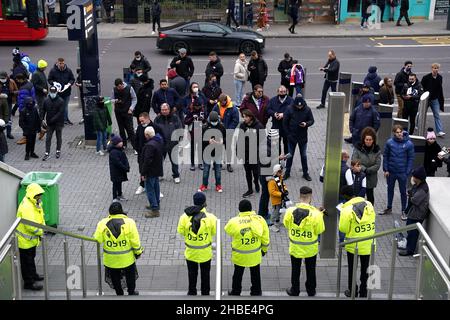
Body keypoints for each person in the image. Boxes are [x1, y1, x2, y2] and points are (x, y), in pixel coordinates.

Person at [93, 201, 143, 296]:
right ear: (122, 211)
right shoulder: (130, 222)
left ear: (109, 212)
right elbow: (135, 241)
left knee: (114, 277)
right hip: (127, 259)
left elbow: (97, 239)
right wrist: (138, 252)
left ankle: (119, 294)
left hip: (111, 260)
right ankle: (131, 292)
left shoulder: (102, 223)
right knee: (130, 276)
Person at [284, 186, 325, 296]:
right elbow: (320, 230)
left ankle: (295, 290)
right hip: (310, 248)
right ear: (310, 197)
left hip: (295, 246)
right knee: (311, 270)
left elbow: (286, 225)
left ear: (300, 196)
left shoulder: (290, 211)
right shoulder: (316, 214)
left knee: (295, 269)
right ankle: (311, 290)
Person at [225, 199, 270, 296]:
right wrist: (264, 250)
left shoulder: (234, 221)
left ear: (239, 209)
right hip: (255, 254)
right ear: (251, 209)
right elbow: (265, 238)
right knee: (255, 274)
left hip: (239, 255)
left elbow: (227, 230)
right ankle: (256, 292)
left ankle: (236, 292)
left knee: (237, 274)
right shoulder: (260, 220)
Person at [339, 185, 376, 298]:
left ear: (345, 197)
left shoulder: (346, 210)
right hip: (368, 243)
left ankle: (352, 290)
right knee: (365, 268)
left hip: (353, 245)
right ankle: (364, 291)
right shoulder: (369, 204)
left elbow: (343, 229)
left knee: (352, 269)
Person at [177, 192, 217, 296]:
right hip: (205, 252)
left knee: (192, 274)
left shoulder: (184, 217)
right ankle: (205, 293)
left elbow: (181, 231)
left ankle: (192, 292)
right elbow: (214, 232)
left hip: (191, 252)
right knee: (205, 274)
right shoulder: (211, 217)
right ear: (204, 202)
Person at [16, 182, 46, 290]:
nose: (40, 197)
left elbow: (40, 217)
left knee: (31, 259)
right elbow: (30, 226)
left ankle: (34, 275)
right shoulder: (27, 207)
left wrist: (43, 227)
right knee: (26, 262)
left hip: (30, 240)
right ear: (33, 195)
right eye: (38, 195)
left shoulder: (34, 203)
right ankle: (29, 283)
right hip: (24, 241)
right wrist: (41, 231)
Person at [381, 125, 414, 220]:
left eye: (400, 131)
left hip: (402, 173)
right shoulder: (389, 143)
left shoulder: (409, 144)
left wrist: (407, 172)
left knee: (403, 192)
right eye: (397, 132)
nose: (399, 133)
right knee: (389, 190)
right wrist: (385, 169)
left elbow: (411, 159)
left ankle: (404, 210)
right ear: (394, 133)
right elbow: (386, 156)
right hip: (391, 172)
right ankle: (389, 207)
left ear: (403, 132)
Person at [282, 96, 314, 181]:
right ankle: (287, 173)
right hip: (292, 138)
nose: (299, 107)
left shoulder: (307, 109)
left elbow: (312, 120)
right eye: (298, 106)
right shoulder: (289, 109)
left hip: (303, 138)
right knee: (290, 156)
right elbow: (284, 123)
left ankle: (305, 173)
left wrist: (306, 124)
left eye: (301, 106)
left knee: (303, 156)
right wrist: (288, 134)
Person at [399, 166, 429, 256]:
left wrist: (410, 195)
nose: (413, 178)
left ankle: (410, 250)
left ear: (418, 178)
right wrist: (411, 193)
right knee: (409, 228)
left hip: (418, 214)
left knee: (413, 233)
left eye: (414, 177)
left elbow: (415, 200)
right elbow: (412, 192)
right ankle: (409, 246)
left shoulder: (423, 189)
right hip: (413, 212)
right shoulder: (418, 185)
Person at [351, 127, 381, 205]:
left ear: (373, 140)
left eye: (370, 140)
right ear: (363, 140)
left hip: (371, 178)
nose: (368, 141)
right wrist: (364, 169)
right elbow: (354, 160)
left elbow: (377, 165)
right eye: (366, 139)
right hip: (359, 177)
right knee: (359, 198)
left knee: (370, 196)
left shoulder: (377, 151)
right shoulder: (358, 148)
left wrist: (365, 169)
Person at [238, 109, 264, 197]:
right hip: (245, 153)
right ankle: (250, 189)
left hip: (255, 154)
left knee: (256, 172)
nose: (244, 119)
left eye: (245, 117)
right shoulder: (242, 126)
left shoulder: (259, 126)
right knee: (248, 172)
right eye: (243, 117)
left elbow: (263, 140)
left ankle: (256, 182)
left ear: (250, 117)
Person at [154, 103, 183, 184]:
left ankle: (176, 175)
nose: (164, 111)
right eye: (162, 110)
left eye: (166, 109)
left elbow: (180, 128)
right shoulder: (157, 119)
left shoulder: (175, 118)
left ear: (169, 110)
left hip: (173, 144)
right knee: (159, 160)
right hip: (161, 144)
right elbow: (155, 131)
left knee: (174, 161)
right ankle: (159, 174)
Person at [198, 111, 226, 193]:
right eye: (213, 122)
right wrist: (207, 141)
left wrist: (222, 141)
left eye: (215, 121)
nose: (214, 123)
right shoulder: (205, 127)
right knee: (206, 170)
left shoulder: (221, 126)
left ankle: (218, 185)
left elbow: (226, 137)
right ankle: (204, 185)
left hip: (217, 152)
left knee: (218, 170)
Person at [140, 126, 164, 218]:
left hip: (150, 171)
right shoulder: (158, 141)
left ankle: (154, 210)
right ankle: (156, 203)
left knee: (150, 190)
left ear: (147, 135)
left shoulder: (149, 145)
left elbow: (147, 160)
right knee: (156, 187)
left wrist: (143, 173)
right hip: (157, 169)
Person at [212, 93, 239, 173]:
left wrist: (230, 130)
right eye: (220, 102)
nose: (221, 104)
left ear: (225, 100)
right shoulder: (217, 106)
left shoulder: (232, 108)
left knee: (228, 148)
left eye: (222, 103)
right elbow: (212, 115)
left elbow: (235, 121)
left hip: (228, 132)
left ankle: (228, 164)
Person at [184, 83, 207, 171]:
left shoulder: (202, 111)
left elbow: (206, 120)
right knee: (193, 148)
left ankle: (200, 163)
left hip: (201, 131)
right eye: (196, 106)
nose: (197, 108)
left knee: (201, 147)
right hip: (192, 132)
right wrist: (192, 119)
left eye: (199, 106)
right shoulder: (191, 112)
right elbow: (185, 121)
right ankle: (192, 163)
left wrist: (202, 119)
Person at [47, 58, 75, 125]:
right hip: (57, 92)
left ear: (64, 63)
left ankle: (65, 119)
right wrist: (54, 83)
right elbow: (49, 79)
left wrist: (69, 84)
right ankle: (59, 120)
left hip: (66, 92)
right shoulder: (53, 71)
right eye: (60, 63)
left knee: (65, 107)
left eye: (62, 63)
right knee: (57, 106)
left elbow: (72, 79)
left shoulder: (68, 70)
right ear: (57, 63)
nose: (61, 65)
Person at [134, 112, 157, 194]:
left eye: (143, 121)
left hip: (152, 154)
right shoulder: (140, 127)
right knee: (142, 170)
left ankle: (155, 187)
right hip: (141, 154)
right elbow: (136, 139)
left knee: (153, 171)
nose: (141, 123)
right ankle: (142, 185)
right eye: (140, 121)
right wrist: (137, 149)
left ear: (148, 118)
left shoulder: (155, 127)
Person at [267, 85, 293, 155]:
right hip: (276, 125)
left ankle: (287, 160)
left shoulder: (291, 100)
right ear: (278, 92)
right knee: (275, 144)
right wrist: (274, 114)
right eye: (281, 92)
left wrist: (284, 114)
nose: (283, 93)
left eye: (284, 92)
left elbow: (293, 111)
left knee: (287, 144)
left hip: (287, 127)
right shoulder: (272, 100)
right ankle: (277, 159)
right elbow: (268, 110)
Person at [421, 63, 445, 137]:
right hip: (426, 99)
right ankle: (418, 125)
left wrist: (440, 98)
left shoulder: (440, 77)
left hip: (435, 99)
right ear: (431, 68)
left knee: (437, 115)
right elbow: (421, 87)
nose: (436, 69)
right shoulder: (426, 77)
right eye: (434, 68)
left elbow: (440, 88)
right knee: (421, 114)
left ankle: (439, 131)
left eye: (437, 68)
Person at [112, 78, 137, 149]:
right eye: (117, 87)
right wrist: (115, 101)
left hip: (127, 111)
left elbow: (134, 99)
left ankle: (135, 147)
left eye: (120, 87)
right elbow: (111, 99)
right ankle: (124, 145)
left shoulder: (129, 88)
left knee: (130, 129)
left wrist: (131, 109)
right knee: (121, 129)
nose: (119, 89)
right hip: (118, 111)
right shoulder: (114, 89)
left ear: (122, 84)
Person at [41, 86, 64, 161]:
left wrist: (52, 119)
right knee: (48, 138)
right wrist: (42, 119)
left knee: (58, 137)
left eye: (54, 92)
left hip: (58, 123)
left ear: (56, 92)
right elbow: (43, 110)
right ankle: (47, 152)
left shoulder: (61, 101)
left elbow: (60, 112)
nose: (52, 94)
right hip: (50, 123)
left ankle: (58, 150)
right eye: (51, 92)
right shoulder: (46, 100)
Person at [108, 134, 130, 202]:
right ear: (116, 143)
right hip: (116, 172)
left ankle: (119, 195)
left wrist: (127, 166)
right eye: (120, 142)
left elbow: (125, 159)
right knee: (115, 184)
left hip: (120, 171)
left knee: (119, 183)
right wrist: (125, 168)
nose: (122, 143)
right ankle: (115, 197)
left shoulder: (120, 149)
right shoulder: (113, 152)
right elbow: (117, 162)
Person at [268, 164, 289, 232]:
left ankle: (277, 221)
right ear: (276, 172)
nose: (281, 173)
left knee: (279, 211)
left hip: (281, 199)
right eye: (279, 172)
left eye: (281, 171)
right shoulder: (271, 181)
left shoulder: (280, 178)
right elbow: (272, 192)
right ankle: (271, 224)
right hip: (276, 200)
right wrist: (281, 194)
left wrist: (285, 190)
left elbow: (283, 185)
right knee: (275, 212)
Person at [0, 71, 18, 140]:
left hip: (9, 102)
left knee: (8, 118)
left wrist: (13, 93)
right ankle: (1, 132)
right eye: (1, 78)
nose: (2, 79)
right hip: (1, 102)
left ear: (7, 77)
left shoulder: (11, 82)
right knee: (1, 117)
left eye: (3, 78)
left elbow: (17, 91)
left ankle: (9, 133)